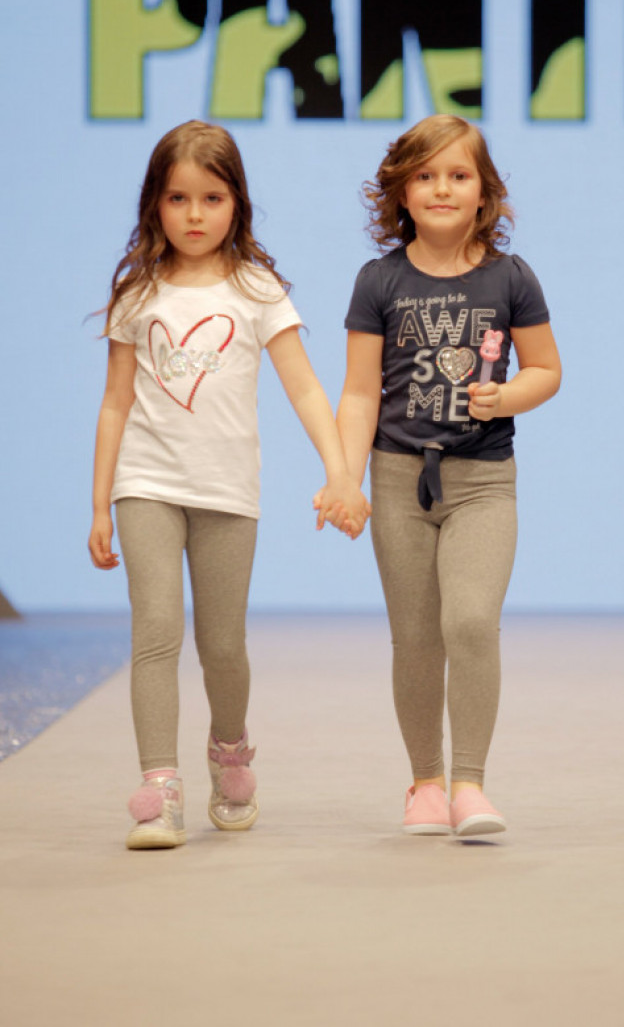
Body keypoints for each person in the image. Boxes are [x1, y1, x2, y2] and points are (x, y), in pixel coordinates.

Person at [88, 120, 369, 850]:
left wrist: (340, 470)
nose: (194, 215)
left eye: (212, 198)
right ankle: (160, 788)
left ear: (237, 203)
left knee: (222, 645)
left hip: (227, 492)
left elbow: (304, 387)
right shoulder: (137, 291)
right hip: (146, 484)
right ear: (154, 203)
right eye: (178, 198)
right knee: (155, 632)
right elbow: (115, 402)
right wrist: (100, 503)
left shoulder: (255, 288)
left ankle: (230, 748)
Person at [335, 114, 561, 837]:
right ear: (400, 192)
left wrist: (508, 395)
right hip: (398, 479)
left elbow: (546, 368)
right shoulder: (379, 280)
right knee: (415, 639)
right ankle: (425, 784)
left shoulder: (511, 277)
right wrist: (344, 477)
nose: (441, 188)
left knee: (469, 622)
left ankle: (470, 784)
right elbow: (360, 393)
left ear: (484, 192)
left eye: (459, 175)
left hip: (484, 481)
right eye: (425, 175)